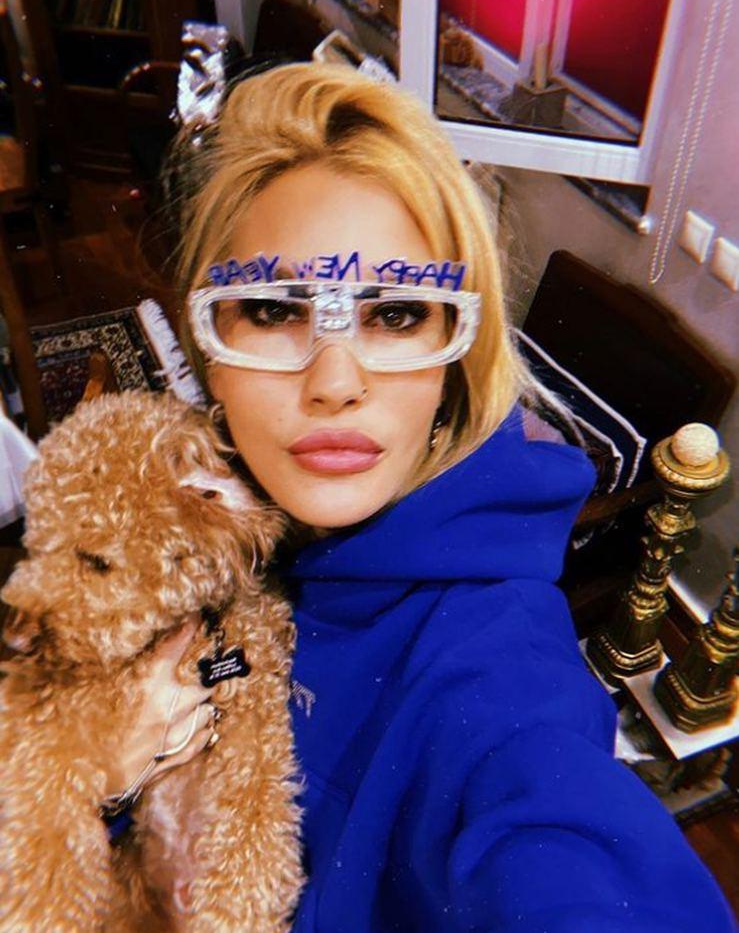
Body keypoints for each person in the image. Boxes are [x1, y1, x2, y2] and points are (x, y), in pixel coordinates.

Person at [105, 63, 734, 931]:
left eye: (397, 314)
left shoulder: (494, 671)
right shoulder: (190, 530)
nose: (334, 381)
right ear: (210, 349)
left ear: (453, 362)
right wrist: (111, 772)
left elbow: (555, 831)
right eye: (273, 309)